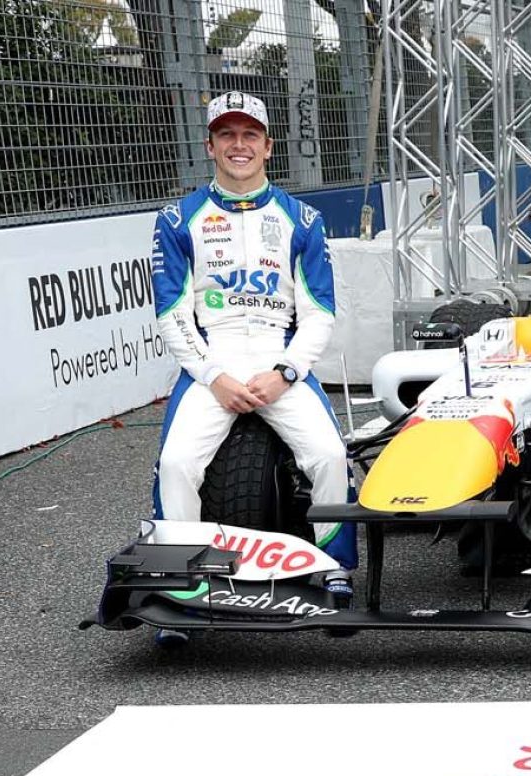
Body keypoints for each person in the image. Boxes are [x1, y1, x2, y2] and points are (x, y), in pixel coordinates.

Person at [150, 91, 357, 638]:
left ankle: (333, 571)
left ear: (268, 146)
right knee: (175, 466)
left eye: (248, 136)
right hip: (211, 360)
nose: (237, 145)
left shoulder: (303, 219)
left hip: (277, 356)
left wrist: (285, 373)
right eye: (226, 135)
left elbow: (318, 314)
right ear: (210, 146)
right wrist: (213, 377)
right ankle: (180, 586)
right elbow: (172, 314)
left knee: (330, 456)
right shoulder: (176, 219)